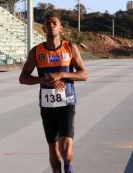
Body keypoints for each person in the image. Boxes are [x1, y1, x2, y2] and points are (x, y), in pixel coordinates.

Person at [19, 14, 88, 173]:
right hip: (47, 105)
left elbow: (84, 74)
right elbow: (23, 78)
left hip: (67, 102)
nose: (51, 25)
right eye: (48, 23)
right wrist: (43, 80)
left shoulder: (69, 47)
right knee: (53, 148)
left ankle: (68, 167)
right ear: (43, 28)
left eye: (54, 23)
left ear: (60, 27)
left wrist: (61, 74)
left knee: (66, 150)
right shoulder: (36, 51)